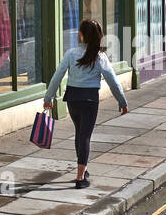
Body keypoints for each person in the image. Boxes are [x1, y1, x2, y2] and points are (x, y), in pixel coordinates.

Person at [43, 18, 128, 189]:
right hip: (89, 100)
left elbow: (57, 77)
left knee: (80, 133)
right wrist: (122, 101)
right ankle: (80, 178)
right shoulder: (100, 57)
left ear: (81, 35)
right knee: (85, 136)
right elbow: (113, 81)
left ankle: (83, 167)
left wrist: (48, 98)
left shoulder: (71, 54)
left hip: (72, 99)